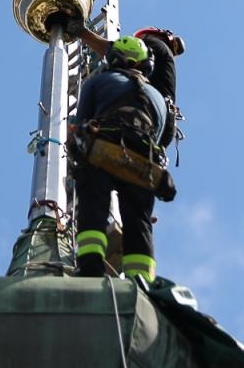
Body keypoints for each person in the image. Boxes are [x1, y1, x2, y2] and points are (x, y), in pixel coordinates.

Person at [68, 35, 169, 284]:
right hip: (144, 162)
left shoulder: (100, 81)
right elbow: (163, 137)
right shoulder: (159, 99)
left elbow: (80, 123)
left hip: (104, 149)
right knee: (139, 221)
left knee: (93, 204)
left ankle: (91, 266)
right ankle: (142, 280)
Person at [67, 23, 185, 149]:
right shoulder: (162, 73)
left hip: (130, 111)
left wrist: (81, 32)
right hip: (158, 128)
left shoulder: (156, 44)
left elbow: (118, 51)